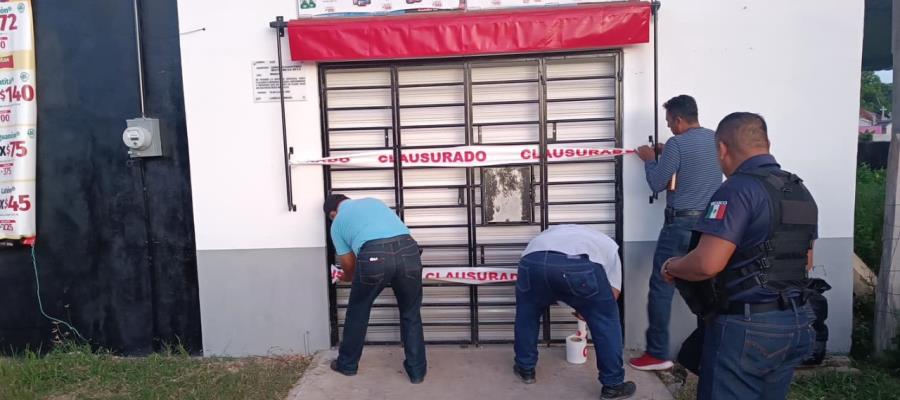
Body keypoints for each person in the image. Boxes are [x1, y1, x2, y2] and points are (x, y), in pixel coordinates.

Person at [661, 112, 817, 399]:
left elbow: (707, 264)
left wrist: (672, 266)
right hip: (796, 322)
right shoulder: (798, 190)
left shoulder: (736, 189)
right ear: (766, 143)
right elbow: (806, 262)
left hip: (748, 327)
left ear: (722, 148)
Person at [630, 94, 723, 371]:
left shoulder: (676, 144)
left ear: (680, 119)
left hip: (680, 224)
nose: (669, 127)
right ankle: (710, 350)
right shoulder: (717, 139)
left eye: (670, 121)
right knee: (706, 287)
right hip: (710, 225)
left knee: (662, 284)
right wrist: (669, 153)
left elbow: (658, 183)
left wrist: (649, 159)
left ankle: (657, 353)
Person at [513, 224, 636, 400]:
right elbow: (613, 292)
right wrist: (588, 309)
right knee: (606, 320)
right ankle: (613, 385)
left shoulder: (547, 235)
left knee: (527, 316)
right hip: (577, 265)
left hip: (532, 263)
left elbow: (550, 275)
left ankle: (525, 369)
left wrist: (582, 305)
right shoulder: (608, 245)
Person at [324, 194, 426, 384]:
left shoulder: (337, 222)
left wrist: (345, 277)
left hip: (374, 255)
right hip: (409, 251)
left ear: (332, 213)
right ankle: (417, 372)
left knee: (358, 312)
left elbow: (349, 267)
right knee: (411, 312)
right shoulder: (374, 201)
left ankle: (347, 365)